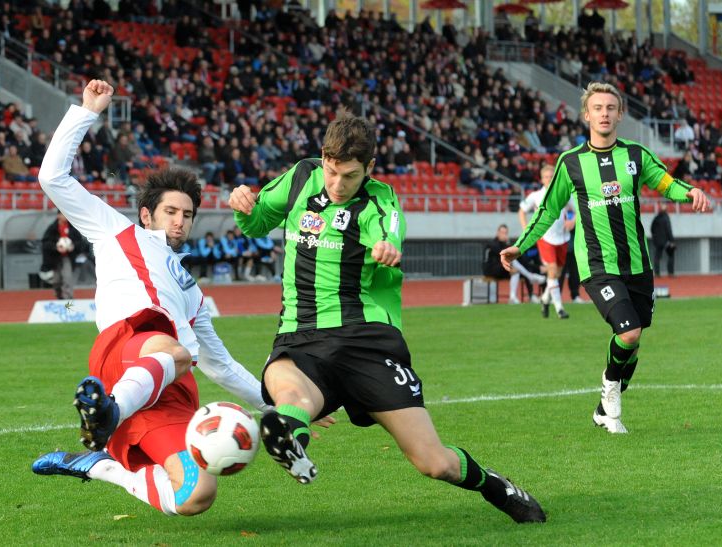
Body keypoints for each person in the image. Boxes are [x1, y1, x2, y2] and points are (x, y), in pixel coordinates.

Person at [228, 114, 546, 523]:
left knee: (434, 462)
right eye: (331, 171)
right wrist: (242, 205)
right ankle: (292, 443)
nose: (337, 184)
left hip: (365, 341)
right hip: (300, 335)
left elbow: (388, 231)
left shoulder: (380, 200)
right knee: (291, 398)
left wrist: (386, 248)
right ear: (322, 157)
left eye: (350, 175)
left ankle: (495, 486)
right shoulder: (300, 177)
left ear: (370, 169)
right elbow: (256, 225)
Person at [31, 80, 273, 517]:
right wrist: (87, 111)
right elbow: (53, 176)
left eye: (188, 214)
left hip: (173, 390)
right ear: (147, 214)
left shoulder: (193, 292)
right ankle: (107, 414)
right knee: (172, 348)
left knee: (195, 496)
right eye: (171, 212)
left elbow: (221, 365)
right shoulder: (116, 231)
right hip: (128, 352)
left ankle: (99, 466)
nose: (181, 221)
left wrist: (276, 406)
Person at [500, 82, 710, 434]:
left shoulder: (636, 155)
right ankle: (610, 388)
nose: (604, 114)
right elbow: (548, 211)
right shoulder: (570, 163)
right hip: (598, 265)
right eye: (597, 108)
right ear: (586, 115)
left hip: (638, 263)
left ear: (620, 114)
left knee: (635, 338)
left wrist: (690, 192)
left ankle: (602, 406)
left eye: (610, 108)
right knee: (628, 333)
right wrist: (520, 245)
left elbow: (666, 183)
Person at [519, 165, 576, 319]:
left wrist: (573, 221)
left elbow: (577, 210)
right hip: (545, 238)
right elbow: (522, 211)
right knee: (552, 270)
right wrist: (526, 230)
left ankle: (545, 299)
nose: (549, 179)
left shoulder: (564, 193)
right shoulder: (536, 196)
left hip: (562, 237)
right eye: (546, 177)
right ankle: (559, 309)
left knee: (556, 274)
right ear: (541, 179)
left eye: (552, 176)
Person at [483, 224, 546, 304]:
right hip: (491, 270)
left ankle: (514, 297)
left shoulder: (505, 244)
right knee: (513, 260)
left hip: (503, 269)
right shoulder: (491, 244)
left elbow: (522, 259)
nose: (504, 235)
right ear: (498, 233)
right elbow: (502, 253)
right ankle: (531, 277)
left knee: (516, 270)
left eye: (506, 233)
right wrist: (506, 243)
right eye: (502, 233)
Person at [39, 210, 86, 300]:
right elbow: (45, 243)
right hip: (55, 258)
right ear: (58, 216)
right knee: (56, 280)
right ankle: (59, 297)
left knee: (67, 277)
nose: (65, 217)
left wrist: (73, 246)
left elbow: (80, 242)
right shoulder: (52, 228)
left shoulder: (73, 228)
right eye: (63, 214)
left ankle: (68, 299)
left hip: (67, 257)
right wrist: (56, 247)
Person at [651, 202, 675, 276]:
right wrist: (672, 240)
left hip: (658, 241)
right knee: (671, 255)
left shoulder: (656, 218)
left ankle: (657, 273)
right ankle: (670, 273)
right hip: (666, 241)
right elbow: (668, 230)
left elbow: (652, 228)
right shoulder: (666, 218)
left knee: (657, 257)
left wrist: (655, 238)